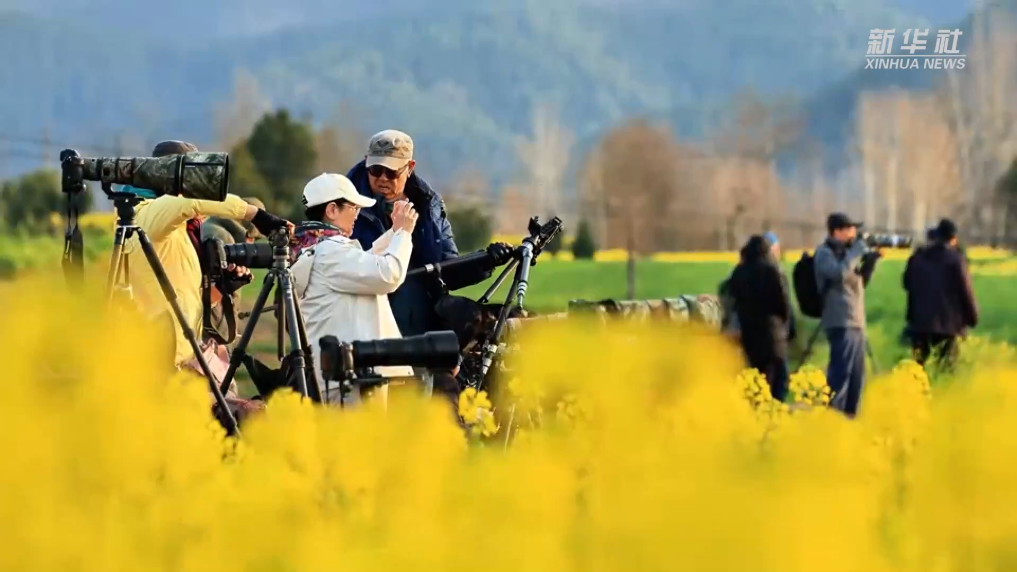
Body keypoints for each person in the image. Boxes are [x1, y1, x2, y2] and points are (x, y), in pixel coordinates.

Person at [346, 129, 512, 397]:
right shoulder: (343, 202)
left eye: (391, 172)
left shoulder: (428, 203)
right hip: (366, 333)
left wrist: (485, 261)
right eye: (375, 170)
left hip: (420, 335)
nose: (382, 178)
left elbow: (447, 269)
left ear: (409, 167)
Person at [121, 140, 291, 371]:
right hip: (158, 360)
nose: (197, 185)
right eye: (191, 178)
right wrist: (256, 215)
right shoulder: (145, 216)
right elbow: (190, 201)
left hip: (181, 355)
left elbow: (181, 291)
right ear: (168, 176)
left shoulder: (176, 228)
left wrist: (222, 287)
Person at [290, 172, 418, 408]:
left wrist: (394, 232)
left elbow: (366, 265)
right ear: (332, 210)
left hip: (339, 373)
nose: (357, 214)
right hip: (349, 379)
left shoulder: (316, 248)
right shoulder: (331, 252)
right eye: (353, 207)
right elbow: (388, 274)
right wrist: (404, 233)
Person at [813, 212, 881, 417]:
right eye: (850, 229)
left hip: (856, 322)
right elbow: (839, 274)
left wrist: (871, 261)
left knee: (857, 379)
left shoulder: (848, 254)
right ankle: (833, 420)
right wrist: (857, 252)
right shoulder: (824, 253)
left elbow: (859, 283)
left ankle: (851, 420)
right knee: (840, 376)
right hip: (840, 322)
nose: (854, 233)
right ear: (837, 231)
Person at [903, 218, 979, 370]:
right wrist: (972, 317)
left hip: (920, 323)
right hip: (948, 326)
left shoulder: (917, 258)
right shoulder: (956, 260)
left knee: (918, 369)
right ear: (953, 238)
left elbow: (906, 283)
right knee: (946, 370)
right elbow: (965, 291)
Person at [727, 235, 793, 401]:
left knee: (757, 380)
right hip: (773, 333)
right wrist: (785, 325)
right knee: (778, 380)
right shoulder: (772, 270)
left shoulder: (739, 272)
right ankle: (775, 411)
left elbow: (732, 300)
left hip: (749, 334)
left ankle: (757, 410)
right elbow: (783, 302)